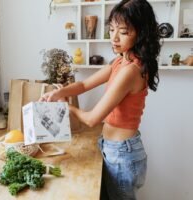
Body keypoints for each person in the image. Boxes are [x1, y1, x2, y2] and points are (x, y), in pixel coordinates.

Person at [39, 0, 161, 199]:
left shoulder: (130, 71)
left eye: (123, 31)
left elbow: (92, 119)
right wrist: (59, 93)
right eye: (111, 29)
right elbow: (84, 85)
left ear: (141, 33)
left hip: (122, 154)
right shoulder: (120, 62)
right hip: (114, 149)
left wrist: (66, 108)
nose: (113, 37)